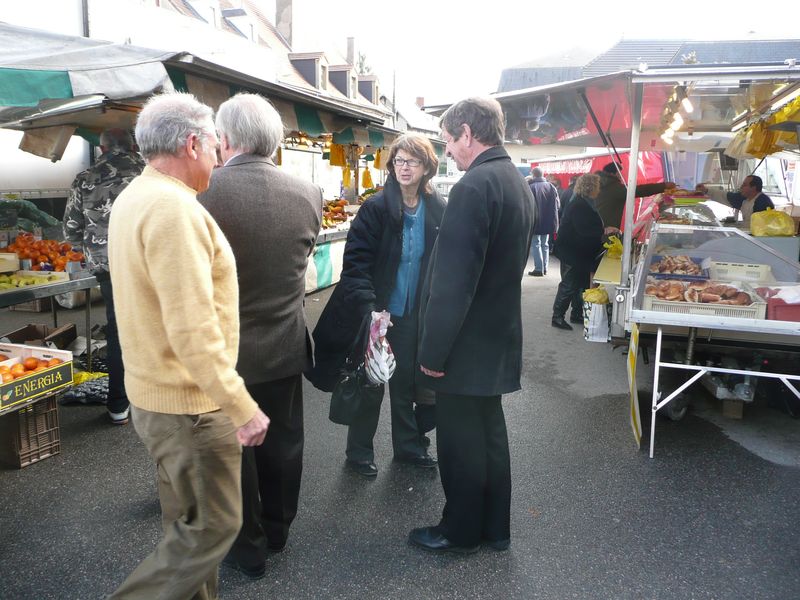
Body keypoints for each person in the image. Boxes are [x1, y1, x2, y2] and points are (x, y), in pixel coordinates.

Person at [107, 92, 269, 600]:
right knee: (212, 527)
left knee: (187, 526)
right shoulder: (173, 209)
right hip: (190, 406)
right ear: (193, 143)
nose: (220, 160)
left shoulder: (136, 195)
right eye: (217, 149)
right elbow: (193, 328)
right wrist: (240, 406)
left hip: (156, 396)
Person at [198, 93, 322, 579]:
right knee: (284, 441)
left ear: (224, 140)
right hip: (285, 343)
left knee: (232, 452)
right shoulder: (307, 193)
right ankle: (278, 527)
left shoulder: (201, 195)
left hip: (225, 353)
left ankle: (246, 547)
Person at [409, 97, 535, 554]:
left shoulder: (474, 186)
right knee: (489, 437)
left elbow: (453, 284)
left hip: (465, 341)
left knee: (461, 442)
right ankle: (494, 528)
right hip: (498, 334)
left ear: (466, 133)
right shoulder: (514, 181)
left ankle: (459, 530)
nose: (448, 152)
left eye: (448, 141)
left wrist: (432, 354)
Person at [308, 133, 445, 478]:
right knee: (370, 384)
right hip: (377, 314)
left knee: (405, 386)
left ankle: (409, 447)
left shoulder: (437, 208)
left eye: (412, 161)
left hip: (415, 314)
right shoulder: (375, 208)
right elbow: (355, 264)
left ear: (427, 166)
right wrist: (371, 308)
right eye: (399, 160)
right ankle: (359, 452)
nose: (404, 167)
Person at [63, 128, 145, 425]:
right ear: (133, 145)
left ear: (102, 149)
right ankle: (158, 398)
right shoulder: (149, 172)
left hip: (108, 267)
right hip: (148, 261)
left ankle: (118, 405)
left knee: (118, 328)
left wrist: (89, 249)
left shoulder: (85, 179)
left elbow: (71, 230)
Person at [551, 173, 618, 330]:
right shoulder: (580, 204)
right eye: (597, 186)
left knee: (580, 283)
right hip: (572, 251)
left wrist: (603, 229)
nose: (599, 189)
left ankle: (576, 314)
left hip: (580, 251)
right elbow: (583, 229)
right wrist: (604, 230)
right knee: (569, 284)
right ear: (591, 187)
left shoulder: (585, 202)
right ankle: (557, 316)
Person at [596, 161, 670, 228]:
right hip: (607, 230)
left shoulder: (600, 185)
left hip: (598, 227)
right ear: (613, 174)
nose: (620, 177)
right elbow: (639, 190)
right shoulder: (613, 187)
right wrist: (664, 186)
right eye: (619, 174)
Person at [697, 175, 774, 228]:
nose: (741, 187)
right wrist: (706, 190)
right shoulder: (744, 198)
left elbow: (761, 227)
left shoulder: (763, 202)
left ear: (753, 188)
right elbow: (725, 196)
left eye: (744, 185)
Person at [527, 166, 559, 276]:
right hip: (549, 221)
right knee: (545, 244)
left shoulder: (530, 187)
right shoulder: (551, 187)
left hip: (535, 221)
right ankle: (544, 268)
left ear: (533, 174)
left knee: (536, 244)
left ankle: (538, 269)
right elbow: (558, 205)